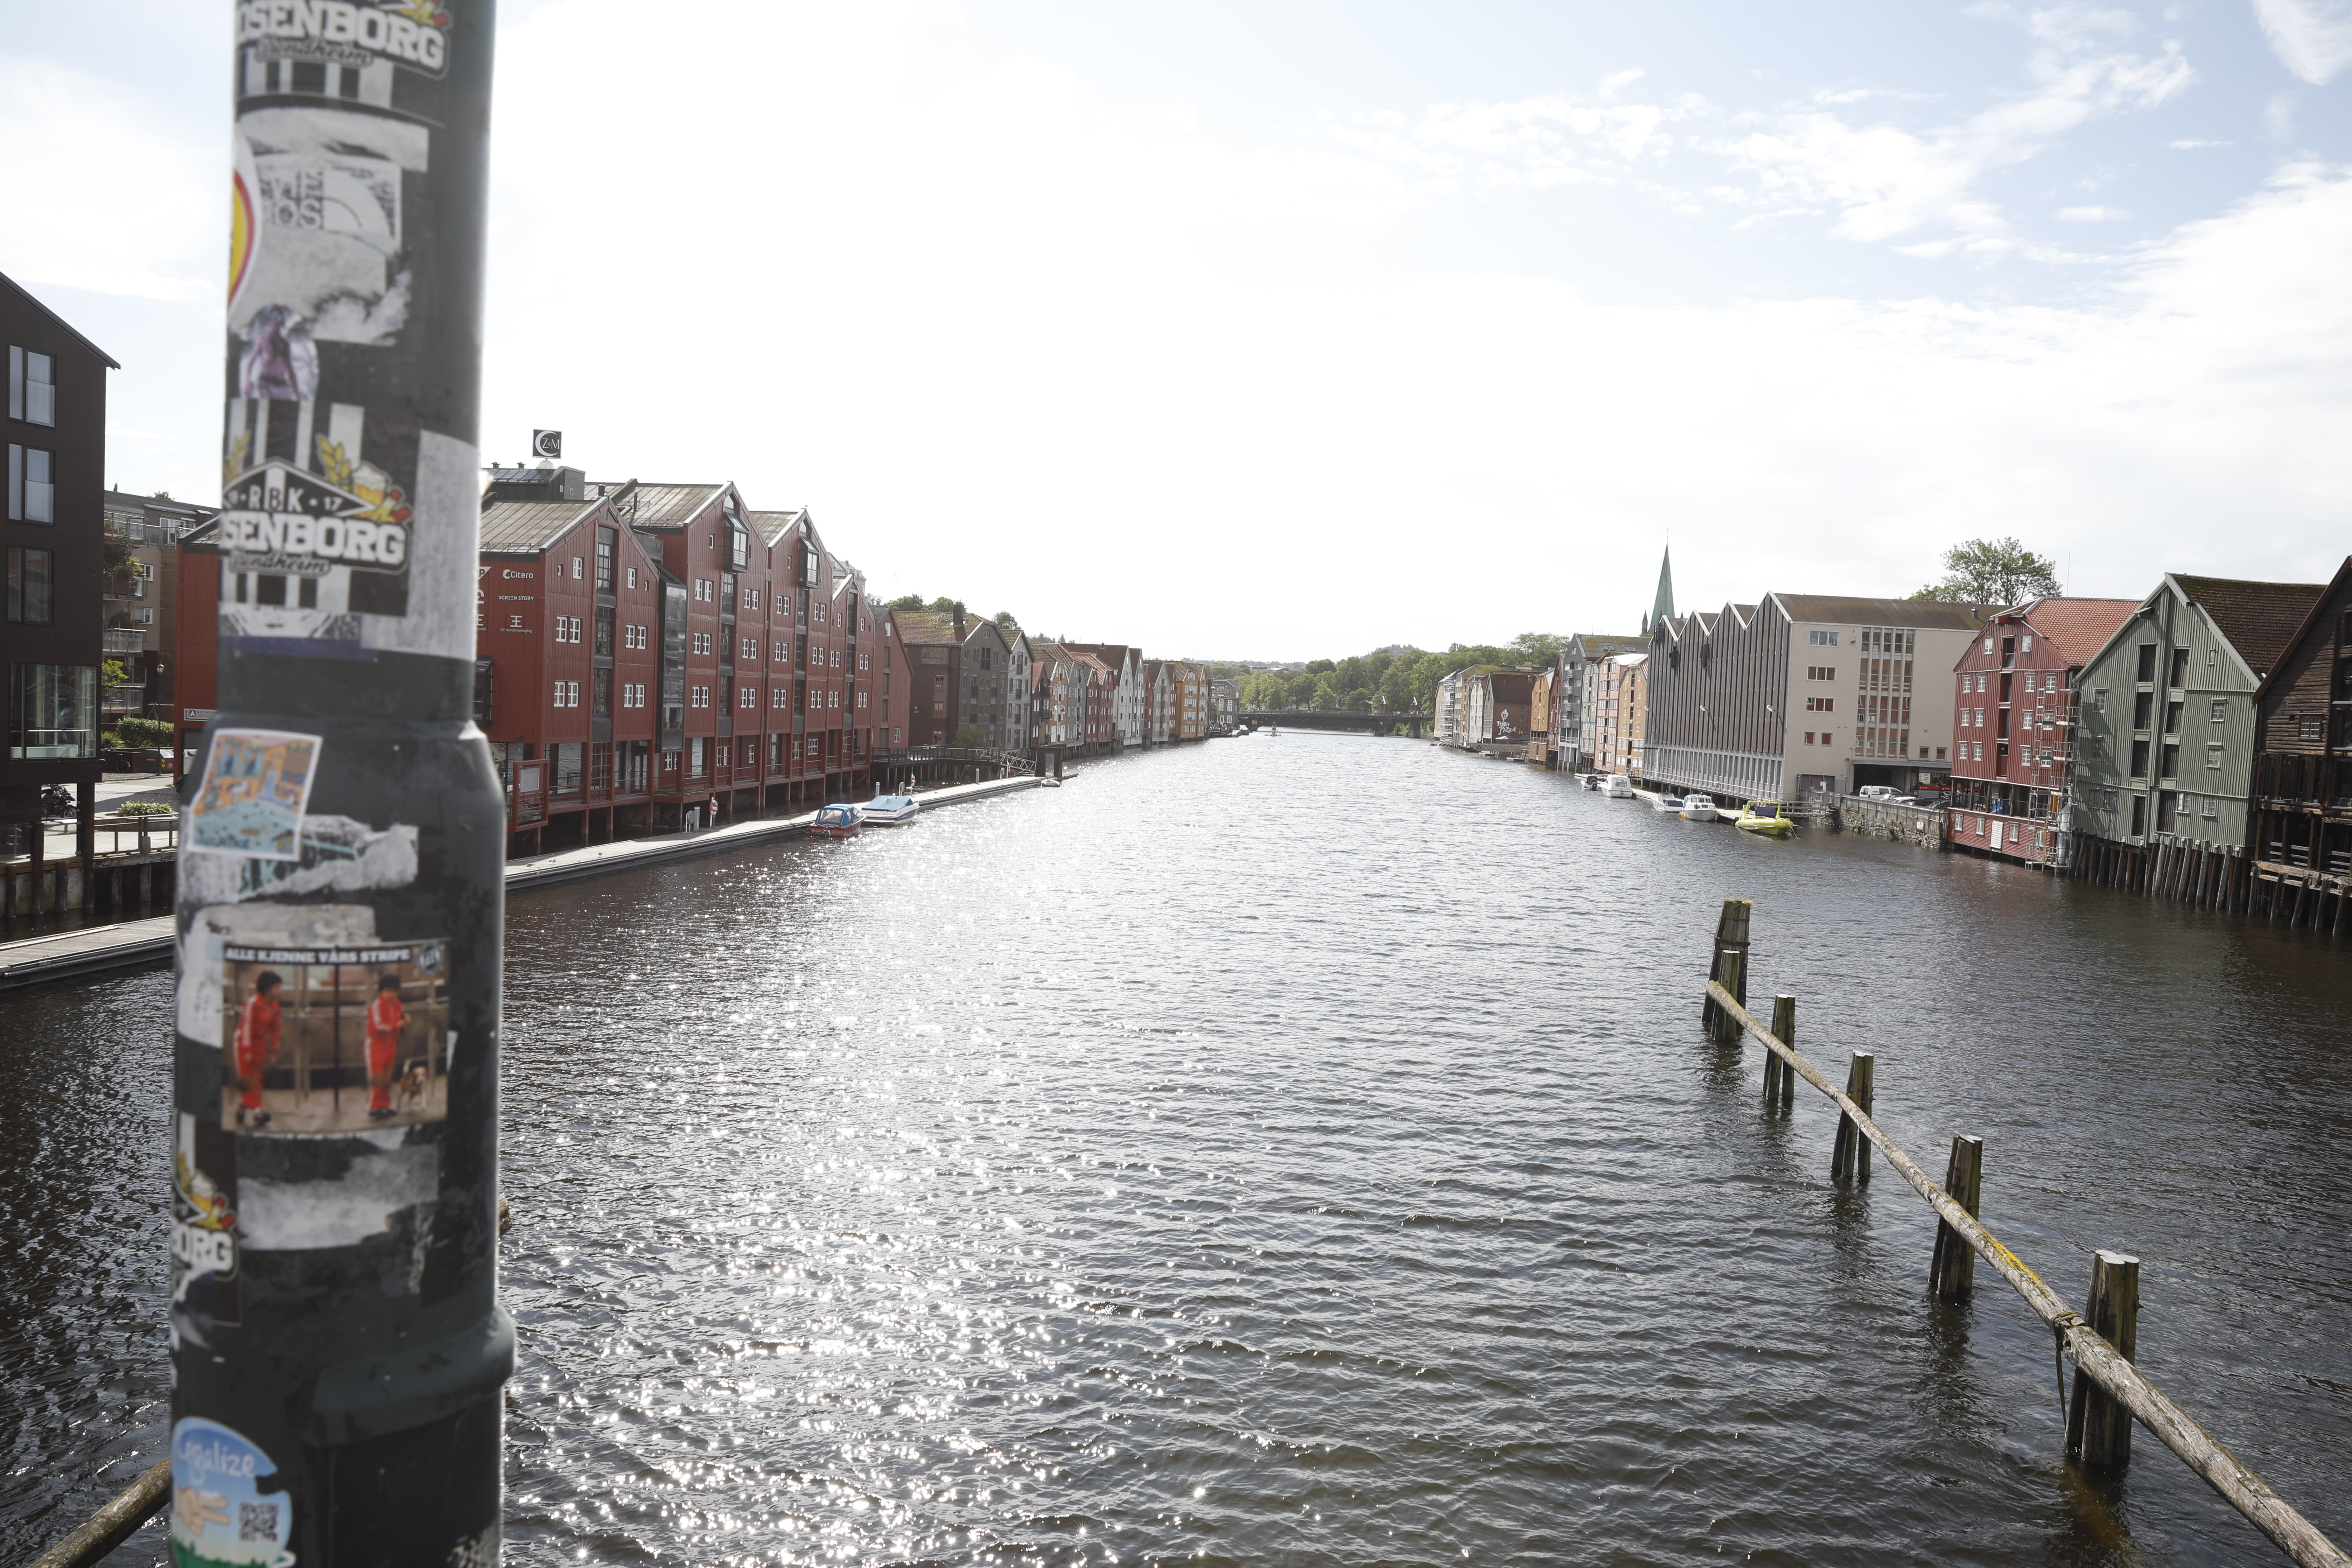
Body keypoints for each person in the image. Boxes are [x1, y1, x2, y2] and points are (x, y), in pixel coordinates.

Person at [234, 971, 282, 1129]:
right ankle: (258, 1112)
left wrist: (273, 1052)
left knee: (256, 1078)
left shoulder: (275, 1008)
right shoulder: (252, 1003)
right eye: (277, 987)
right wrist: (247, 1049)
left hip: (260, 1045)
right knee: (248, 1078)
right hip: (244, 1043)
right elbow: (246, 1026)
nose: (280, 991)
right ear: (268, 988)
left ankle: (244, 1108)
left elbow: (275, 1031)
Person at [365, 973, 408, 1120]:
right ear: (382, 991)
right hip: (376, 1045)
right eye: (388, 991)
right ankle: (374, 1107)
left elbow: (400, 1016)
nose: (392, 995)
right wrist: (396, 1026)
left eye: (394, 991)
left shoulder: (398, 1004)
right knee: (377, 1077)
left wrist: (405, 1020)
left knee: (388, 1078)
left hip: (391, 1045)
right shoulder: (376, 1005)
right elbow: (378, 1026)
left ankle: (385, 1105)